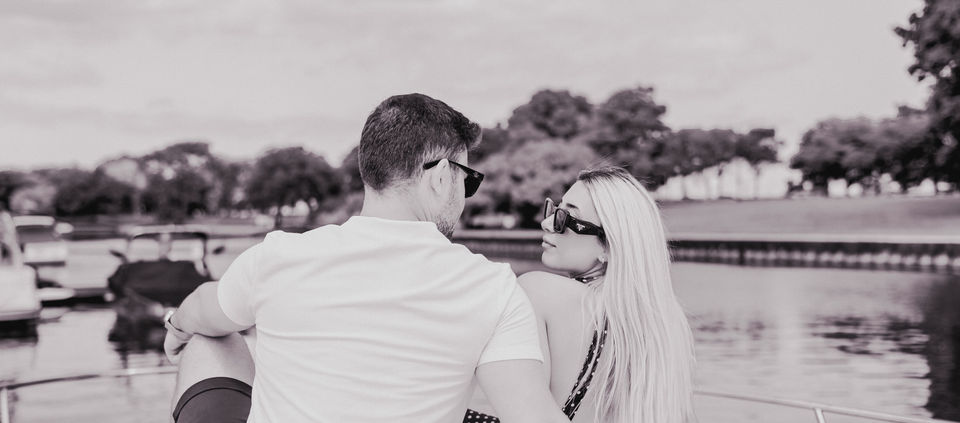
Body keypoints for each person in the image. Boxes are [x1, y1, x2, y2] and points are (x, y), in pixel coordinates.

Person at [163, 93, 570, 423]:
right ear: (441, 176)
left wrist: (177, 327)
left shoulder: (280, 255)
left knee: (211, 339)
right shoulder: (491, 287)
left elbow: (201, 308)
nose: (465, 195)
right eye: (469, 179)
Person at [466, 166, 696, 423]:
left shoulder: (540, 292)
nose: (547, 223)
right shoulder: (667, 321)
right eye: (554, 210)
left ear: (609, 246)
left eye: (566, 217)